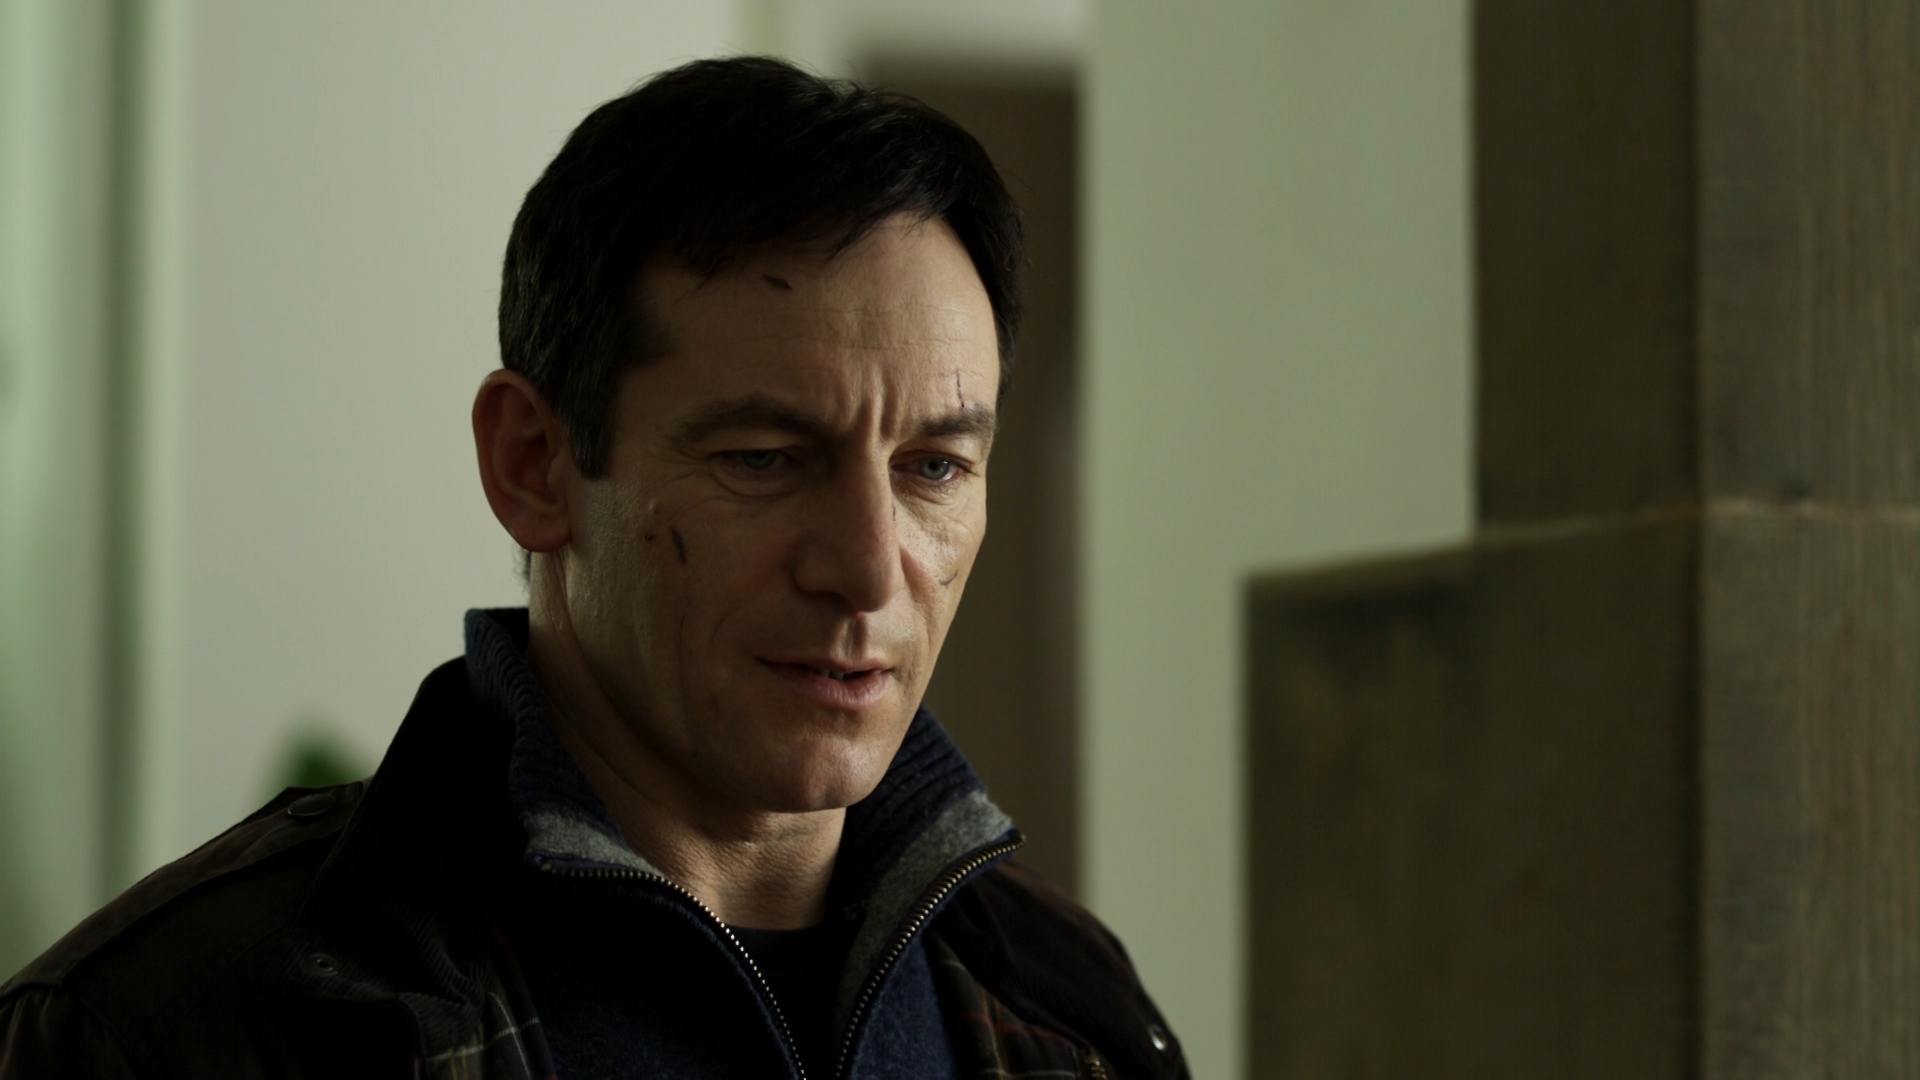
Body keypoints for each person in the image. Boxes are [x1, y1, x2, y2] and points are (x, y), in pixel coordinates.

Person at [0, 57, 1184, 1079]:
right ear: (534, 464)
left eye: (933, 468)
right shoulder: (173, 1033)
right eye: (766, 459)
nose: (871, 570)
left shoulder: (1074, 1015)